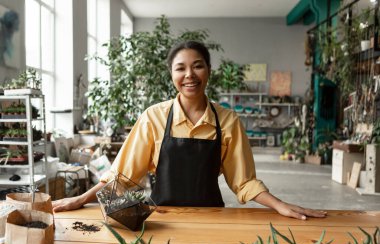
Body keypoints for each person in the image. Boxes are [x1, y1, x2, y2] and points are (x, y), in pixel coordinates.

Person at [53, 40, 327, 220]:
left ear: (209, 70)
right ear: (172, 74)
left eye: (197, 66)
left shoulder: (227, 121)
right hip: (161, 218)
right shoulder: (154, 118)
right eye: (180, 68)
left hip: (212, 219)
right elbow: (122, 176)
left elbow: (243, 182)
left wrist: (280, 204)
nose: (189, 75)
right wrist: (81, 198)